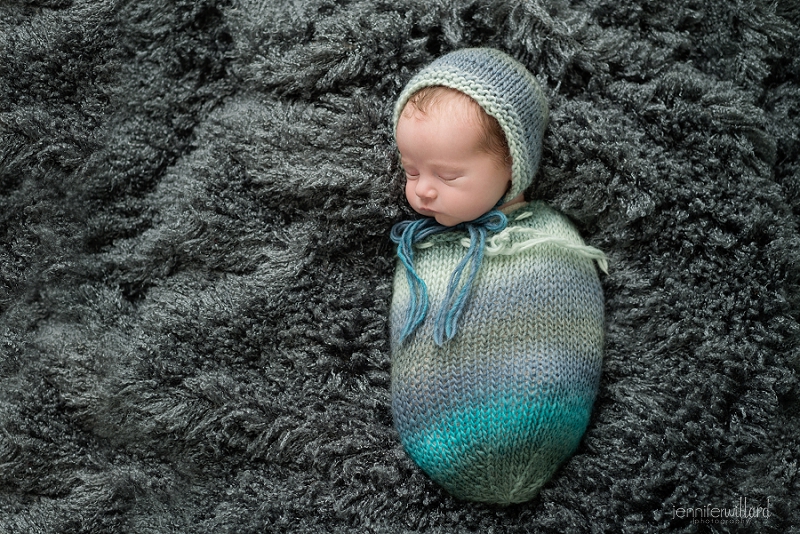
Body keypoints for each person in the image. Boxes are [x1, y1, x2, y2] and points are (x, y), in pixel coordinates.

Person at [388, 48, 607, 504]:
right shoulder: (422, 248)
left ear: (514, 164)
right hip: (434, 432)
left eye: (448, 176)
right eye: (410, 170)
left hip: (534, 415)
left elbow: (573, 330)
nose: (422, 189)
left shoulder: (548, 242)